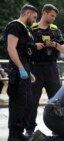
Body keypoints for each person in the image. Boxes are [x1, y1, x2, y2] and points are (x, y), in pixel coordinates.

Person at [25, 4, 64, 137]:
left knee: (56, 101)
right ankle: (29, 129)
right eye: (52, 15)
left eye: (55, 16)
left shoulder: (55, 30)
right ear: (44, 13)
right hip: (35, 67)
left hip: (51, 67)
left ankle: (57, 129)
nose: (53, 18)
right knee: (32, 100)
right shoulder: (32, 28)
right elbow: (24, 47)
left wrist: (55, 44)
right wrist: (34, 46)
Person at [4, 4, 38, 141]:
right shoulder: (15, 26)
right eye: (34, 17)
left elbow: (23, 52)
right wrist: (21, 68)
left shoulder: (25, 29)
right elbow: (11, 48)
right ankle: (14, 135)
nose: (35, 20)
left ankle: (19, 133)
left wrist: (27, 71)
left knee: (27, 103)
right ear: (27, 13)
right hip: (17, 70)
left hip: (23, 68)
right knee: (18, 104)